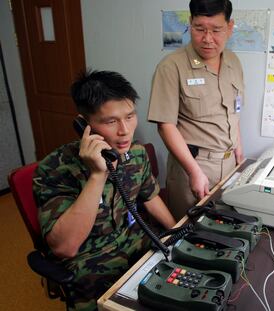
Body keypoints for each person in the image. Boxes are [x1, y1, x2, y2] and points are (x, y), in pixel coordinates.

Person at [33, 70, 176, 311]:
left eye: (130, 117)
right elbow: (65, 247)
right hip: (90, 266)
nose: (125, 130)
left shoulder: (136, 154)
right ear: (83, 124)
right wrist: (98, 175)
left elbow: (151, 197)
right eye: (111, 121)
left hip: (138, 245)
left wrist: (176, 237)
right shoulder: (55, 169)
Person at [148, 0, 245, 221]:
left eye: (216, 30)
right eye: (199, 29)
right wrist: (194, 171)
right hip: (193, 168)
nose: (207, 39)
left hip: (229, 165)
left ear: (230, 27)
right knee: (190, 237)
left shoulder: (233, 61)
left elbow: (234, 112)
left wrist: (239, 149)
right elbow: (165, 125)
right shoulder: (171, 67)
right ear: (190, 23)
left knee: (225, 231)